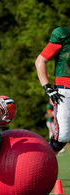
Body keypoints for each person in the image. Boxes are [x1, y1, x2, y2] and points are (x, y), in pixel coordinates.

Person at [35, 26, 70, 155]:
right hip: (65, 90)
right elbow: (40, 60)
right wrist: (47, 87)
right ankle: (40, 165)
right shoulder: (64, 35)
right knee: (62, 135)